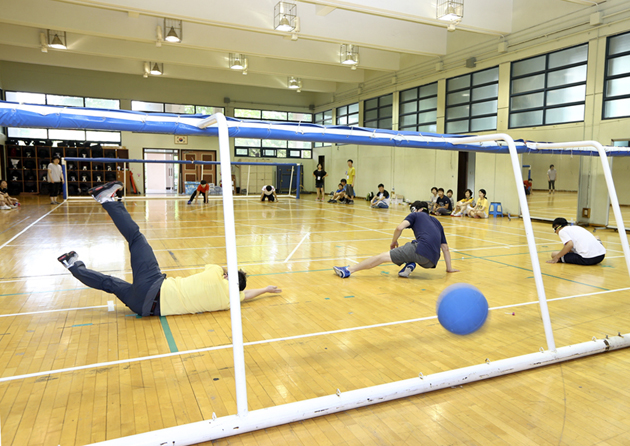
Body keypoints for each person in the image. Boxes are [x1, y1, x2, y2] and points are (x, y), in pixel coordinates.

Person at [57, 181, 282, 316]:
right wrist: (264, 290)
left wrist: (231, 272)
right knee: (108, 284)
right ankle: (72, 264)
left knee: (136, 239)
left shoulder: (216, 274)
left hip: (154, 285)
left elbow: (228, 272)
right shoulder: (229, 301)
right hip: (143, 308)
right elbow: (246, 294)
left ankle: (107, 199)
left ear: (226, 277)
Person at [333, 201, 458, 278]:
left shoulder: (415, 215)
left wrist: (393, 242)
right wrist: (449, 268)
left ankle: (348, 270)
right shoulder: (436, 221)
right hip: (431, 262)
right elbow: (445, 248)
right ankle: (410, 264)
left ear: (417, 209)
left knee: (382, 257)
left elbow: (399, 228)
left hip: (421, 250)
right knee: (413, 244)